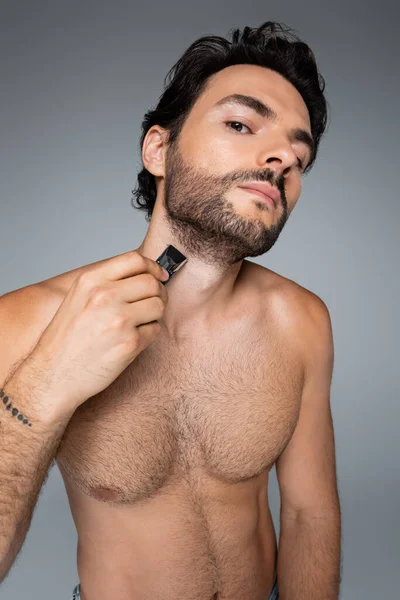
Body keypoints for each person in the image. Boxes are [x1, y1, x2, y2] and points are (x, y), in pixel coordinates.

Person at [0, 20, 341, 600]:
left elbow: (310, 514)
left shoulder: (301, 321)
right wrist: (46, 382)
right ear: (158, 149)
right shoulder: (27, 325)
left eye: (298, 156)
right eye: (240, 124)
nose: (282, 157)